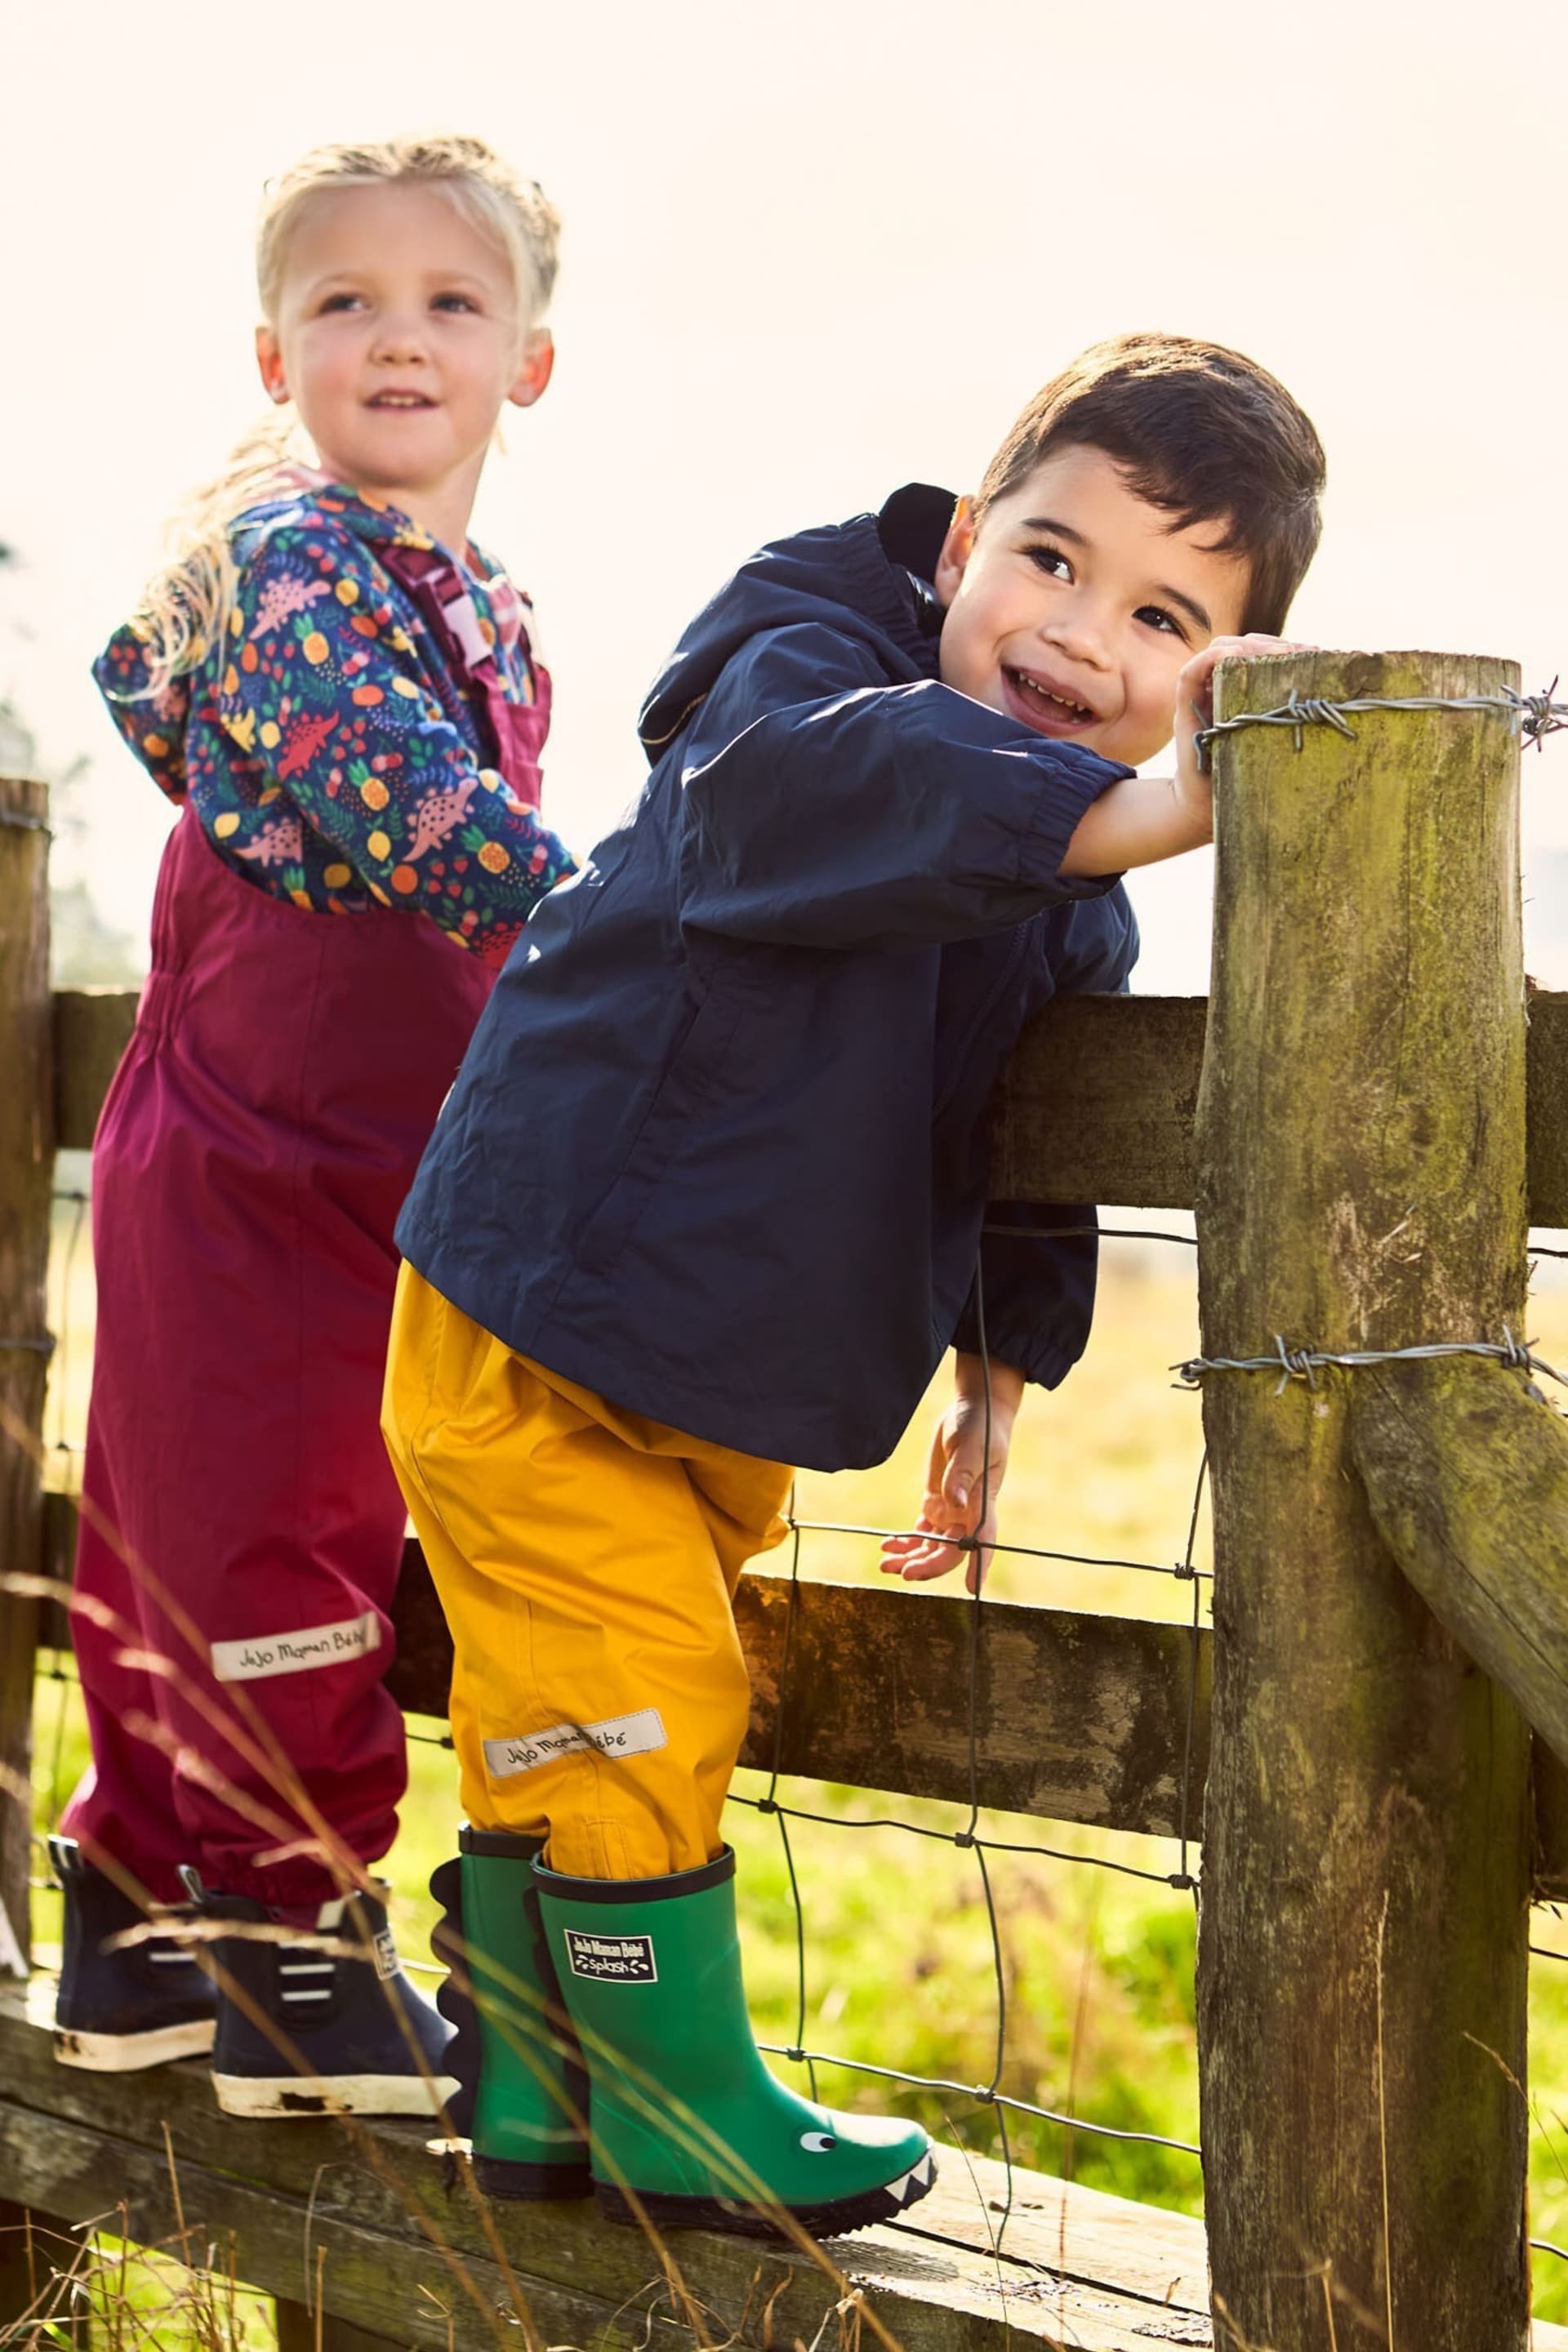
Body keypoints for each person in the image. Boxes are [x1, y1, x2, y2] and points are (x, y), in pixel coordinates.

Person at [387, 332, 1325, 2230]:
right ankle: (676, 2102)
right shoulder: (801, 667)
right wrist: (1147, 811)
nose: (1080, 632)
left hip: (727, 1374)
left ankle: (531, 2073)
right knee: (639, 1694)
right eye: (1050, 560)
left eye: (1164, 615)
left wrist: (996, 1386)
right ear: (963, 538)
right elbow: (801, 798)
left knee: (566, 1697)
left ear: (1211, 679)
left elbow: (1021, 1145)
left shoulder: (1070, 893)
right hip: (548, 1308)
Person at [51, 134, 577, 2123]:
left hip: (386, 1163)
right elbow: (393, 800)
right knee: (268, 1525)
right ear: (271, 353)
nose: (398, 336)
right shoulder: (295, 569)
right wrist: (604, 935)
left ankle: (137, 1922)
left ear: (530, 364)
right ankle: (288, 1936)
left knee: (230, 1509)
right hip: (261, 1144)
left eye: (451, 302)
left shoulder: (489, 607)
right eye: (344, 301)